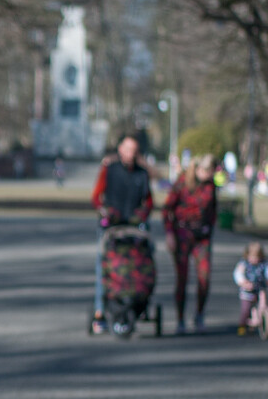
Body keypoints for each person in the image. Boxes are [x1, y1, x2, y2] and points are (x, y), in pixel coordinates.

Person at [90, 135, 153, 334]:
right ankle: (100, 310)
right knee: (104, 265)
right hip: (112, 227)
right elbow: (96, 197)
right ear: (120, 149)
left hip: (134, 228)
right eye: (127, 149)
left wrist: (142, 214)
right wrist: (105, 212)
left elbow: (149, 200)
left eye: (134, 151)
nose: (130, 154)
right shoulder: (109, 169)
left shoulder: (142, 173)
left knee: (144, 260)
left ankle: (141, 304)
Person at [162, 153, 217, 334]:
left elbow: (213, 209)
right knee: (182, 278)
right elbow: (167, 209)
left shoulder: (210, 186)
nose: (210, 175)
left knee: (204, 278)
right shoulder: (182, 183)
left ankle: (199, 314)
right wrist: (169, 234)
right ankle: (180, 319)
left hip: (202, 237)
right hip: (183, 235)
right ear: (198, 169)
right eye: (208, 171)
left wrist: (209, 227)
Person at [233, 240, 266, 335]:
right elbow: (238, 274)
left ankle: (261, 321)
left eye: (257, 257)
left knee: (262, 305)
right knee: (245, 310)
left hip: (259, 289)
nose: (255, 259)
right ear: (247, 255)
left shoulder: (263, 264)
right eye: (253, 257)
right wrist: (243, 282)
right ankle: (242, 325)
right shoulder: (244, 264)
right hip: (247, 291)